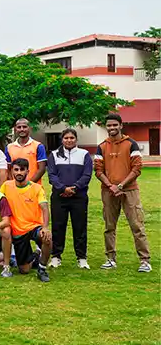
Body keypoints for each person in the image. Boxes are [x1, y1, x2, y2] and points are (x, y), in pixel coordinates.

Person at [94, 113, 151, 272]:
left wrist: (120, 186)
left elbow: (137, 168)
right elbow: (98, 170)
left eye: (114, 125)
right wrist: (111, 186)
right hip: (108, 192)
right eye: (109, 125)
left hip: (129, 190)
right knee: (109, 226)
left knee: (136, 225)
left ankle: (144, 260)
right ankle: (110, 259)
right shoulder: (102, 146)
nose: (112, 128)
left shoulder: (131, 144)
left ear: (121, 126)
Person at [46, 128, 92, 269]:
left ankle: (81, 257)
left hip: (79, 196)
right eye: (66, 138)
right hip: (59, 197)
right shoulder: (54, 155)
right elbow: (52, 175)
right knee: (58, 227)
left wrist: (74, 188)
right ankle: (56, 256)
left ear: (76, 139)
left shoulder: (84, 154)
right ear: (62, 140)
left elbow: (87, 175)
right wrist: (62, 188)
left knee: (80, 227)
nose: (69, 140)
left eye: (72, 138)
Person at [0, 158, 52, 282]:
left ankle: (42, 268)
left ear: (27, 171)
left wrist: (45, 227)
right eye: (16, 170)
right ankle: (35, 255)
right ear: (12, 171)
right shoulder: (6, 186)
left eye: (22, 170)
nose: (19, 172)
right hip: (17, 230)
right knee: (24, 270)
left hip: (34, 226)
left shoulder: (37, 188)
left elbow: (45, 208)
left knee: (48, 238)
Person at [5, 118, 47, 183]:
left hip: (34, 187)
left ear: (29, 128)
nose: (22, 129)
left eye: (24, 127)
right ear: (15, 129)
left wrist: (28, 184)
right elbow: (8, 169)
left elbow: (42, 169)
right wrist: (15, 184)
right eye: (19, 127)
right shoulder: (9, 147)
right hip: (16, 189)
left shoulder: (38, 146)